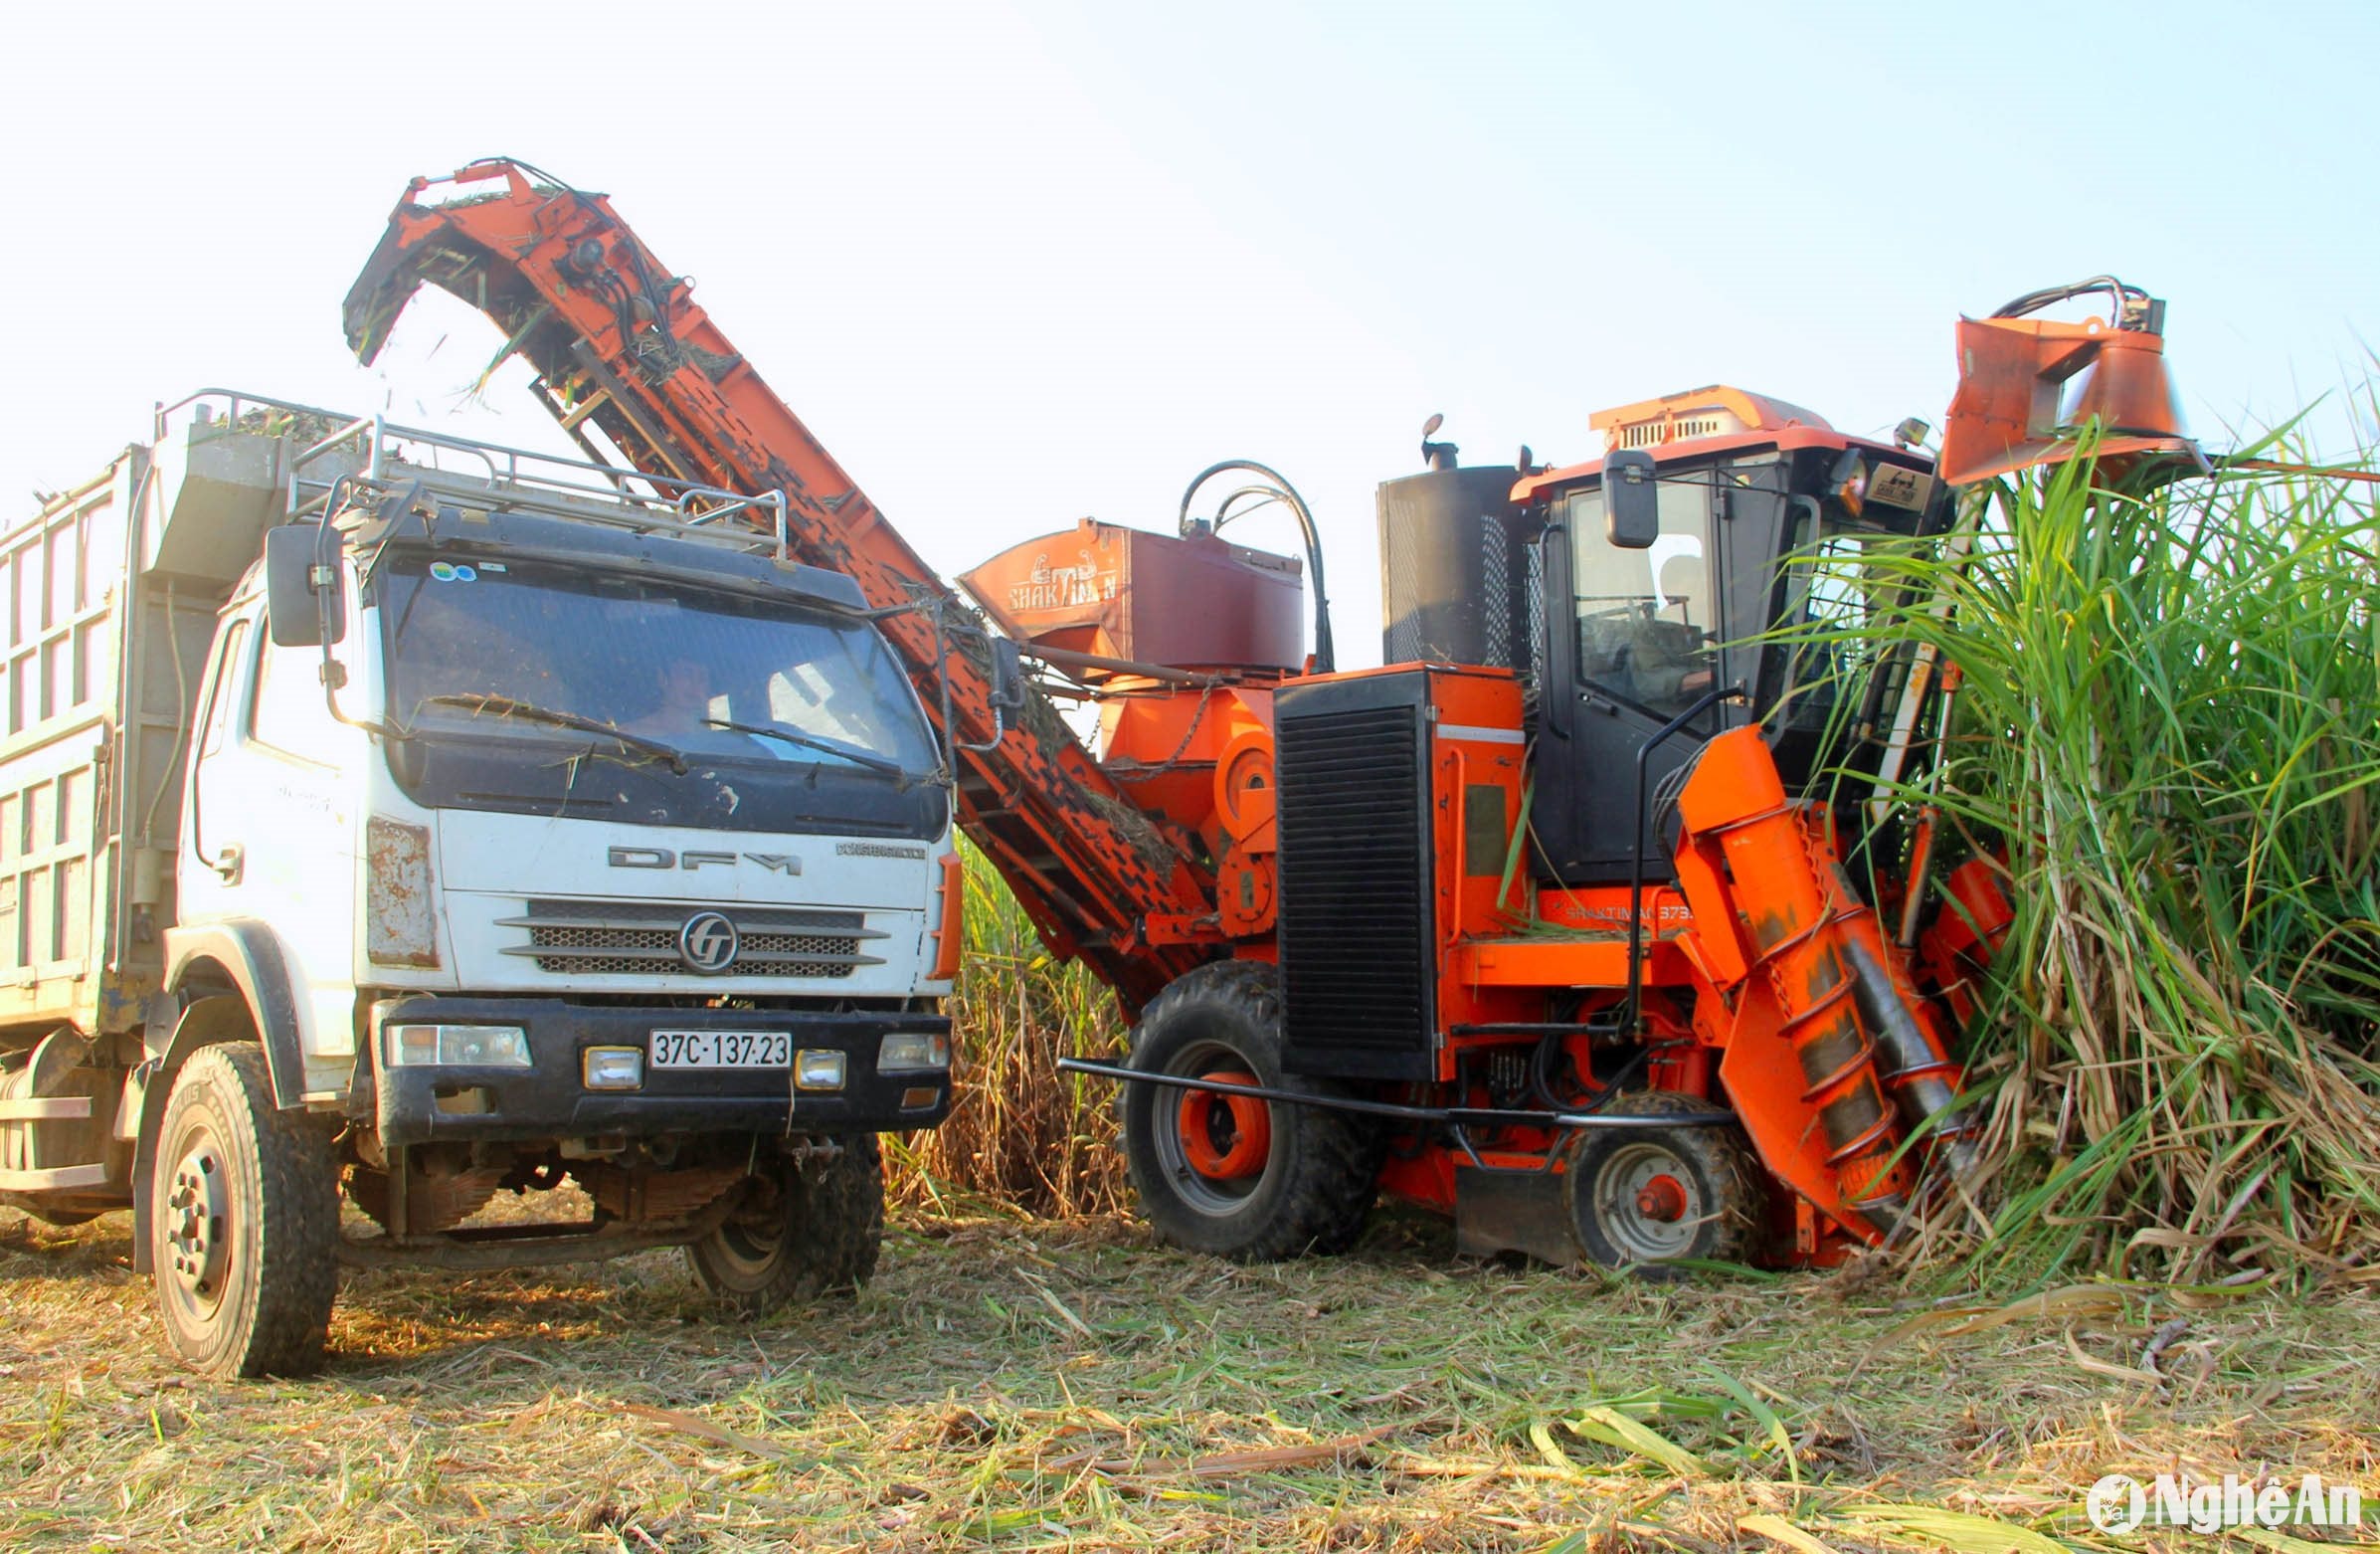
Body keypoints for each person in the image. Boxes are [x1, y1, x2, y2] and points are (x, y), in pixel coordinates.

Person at [1620, 553, 1715, 706]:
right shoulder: (1647, 632)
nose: (1704, 588)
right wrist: (1712, 676)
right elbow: (1652, 679)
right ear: (1670, 590)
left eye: (1705, 581)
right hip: (1672, 714)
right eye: (1696, 583)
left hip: (1709, 701)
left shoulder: (1710, 622)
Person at [626, 656, 718, 735]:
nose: (695, 684)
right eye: (686, 674)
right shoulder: (631, 735)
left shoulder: (720, 738)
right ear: (663, 679)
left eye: (702, 677)